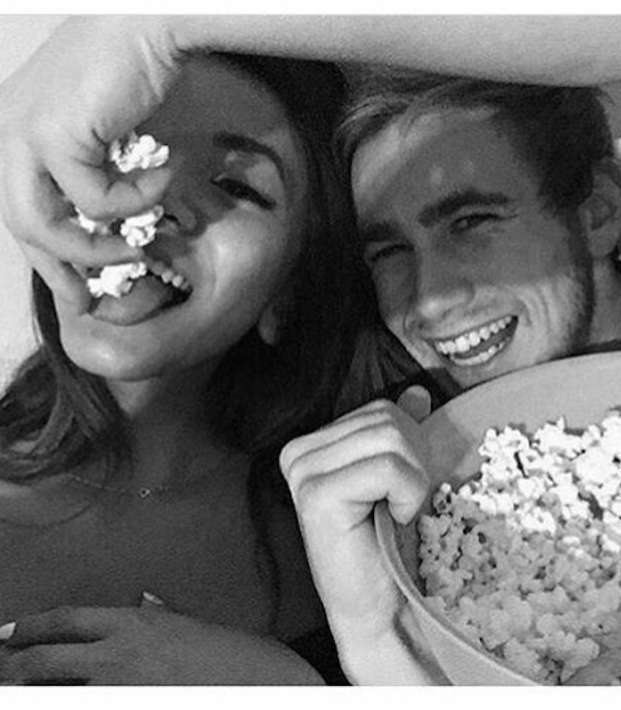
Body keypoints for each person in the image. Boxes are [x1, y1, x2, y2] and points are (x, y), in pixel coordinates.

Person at [2, 16, 621, 684]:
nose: (432, 299)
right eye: (385, 252)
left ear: (600, 208)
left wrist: (155, 22)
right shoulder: (385, 466)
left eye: (472, 221)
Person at [0, 49, 362, 684]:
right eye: (126, 154)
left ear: (292, 282)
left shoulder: (359, 535)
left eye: (235, 186)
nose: (153, 201)